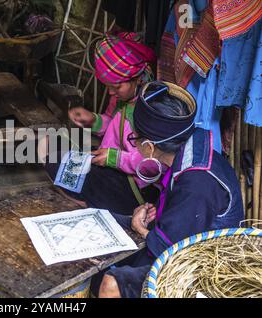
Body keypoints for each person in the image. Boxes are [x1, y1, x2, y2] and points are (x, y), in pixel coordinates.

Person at [98, 81, 244, 298]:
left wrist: (141, 230)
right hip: (185, 239)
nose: (134, 143)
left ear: (149, 147)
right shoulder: (191, 142)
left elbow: (171, 250)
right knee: (105, 228)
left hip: (203, 270)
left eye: (134, 138)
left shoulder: (197, 183)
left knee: (112, 284)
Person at [44, 32, 158, 214]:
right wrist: (93, 120)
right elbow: (112, 125)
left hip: (135, 186)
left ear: (137, 78)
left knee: (63, 169)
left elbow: (154, 162)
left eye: (117, 86)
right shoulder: (121, 99)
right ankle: (92, 201)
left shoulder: (152, 109)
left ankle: (94, 205)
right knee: (53, 152)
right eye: (108, 86)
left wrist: (115, 158)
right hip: (110, 169)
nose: (111, 92)